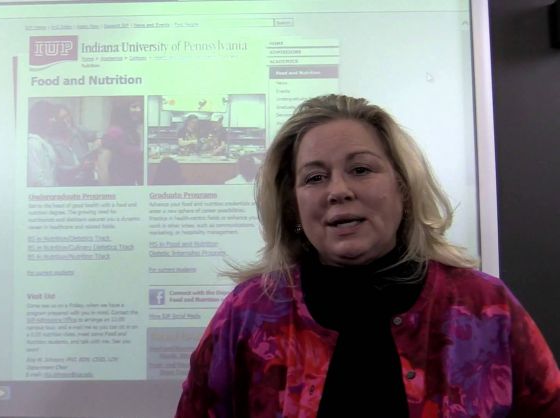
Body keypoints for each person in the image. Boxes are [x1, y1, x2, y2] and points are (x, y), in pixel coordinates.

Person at [175, 94, 560, 417]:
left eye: (360, 169)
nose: (338, 191)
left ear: (403, 187)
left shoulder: (485, 307)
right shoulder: (248, 313)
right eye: (315, 177)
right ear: (293, 205)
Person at [97, 98, 144, 186]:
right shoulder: (115, 132)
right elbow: (102, 167)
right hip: (117, 187)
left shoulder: (133, 133)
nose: (138, 110)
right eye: (134, 107)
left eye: (140, 107)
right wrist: (107, 192)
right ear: (124, 109)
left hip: (130, 185)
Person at [27, 100, 59, 187]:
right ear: (41, 118)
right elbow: (36, 180)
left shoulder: (44, 141)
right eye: (50, 117)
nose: (54, 120)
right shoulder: (32, 144)